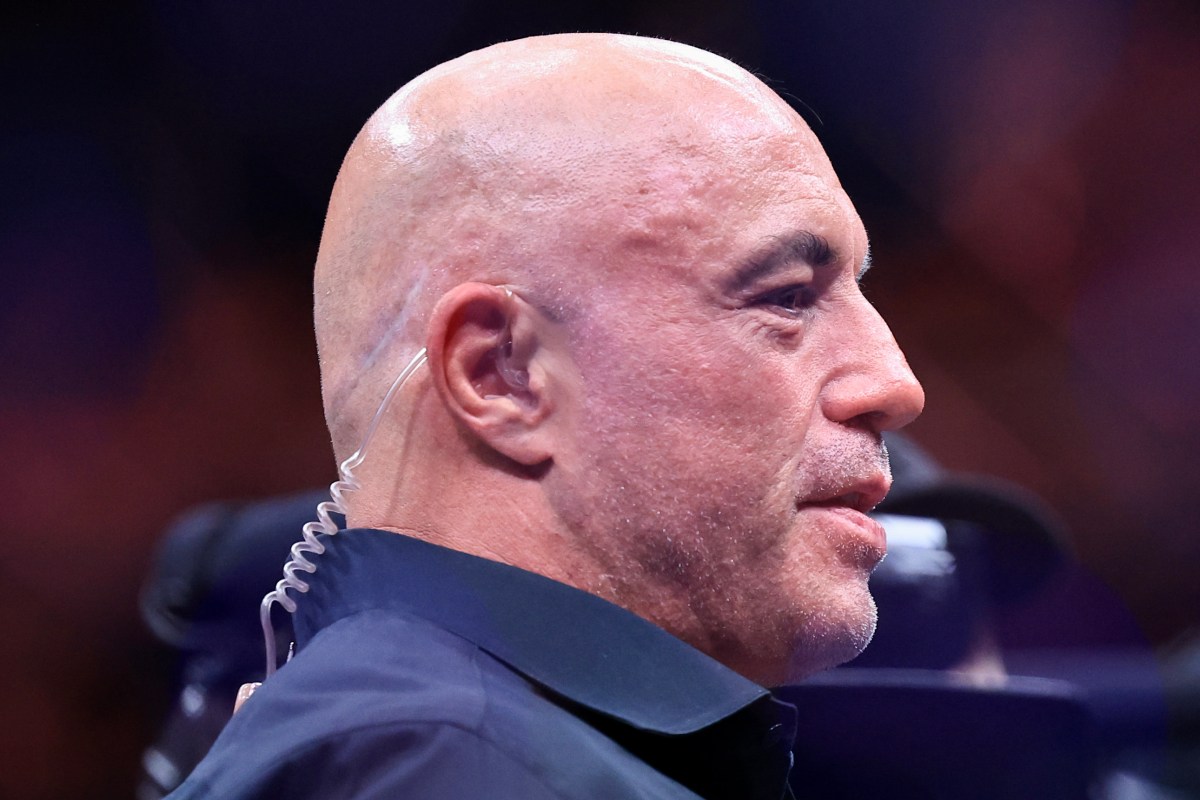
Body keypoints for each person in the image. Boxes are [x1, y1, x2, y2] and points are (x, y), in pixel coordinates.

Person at [167, 32, 924, 799]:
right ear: (501, 374)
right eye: (786, 297)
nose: (895, 385)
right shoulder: (439, 761)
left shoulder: (461, 745)